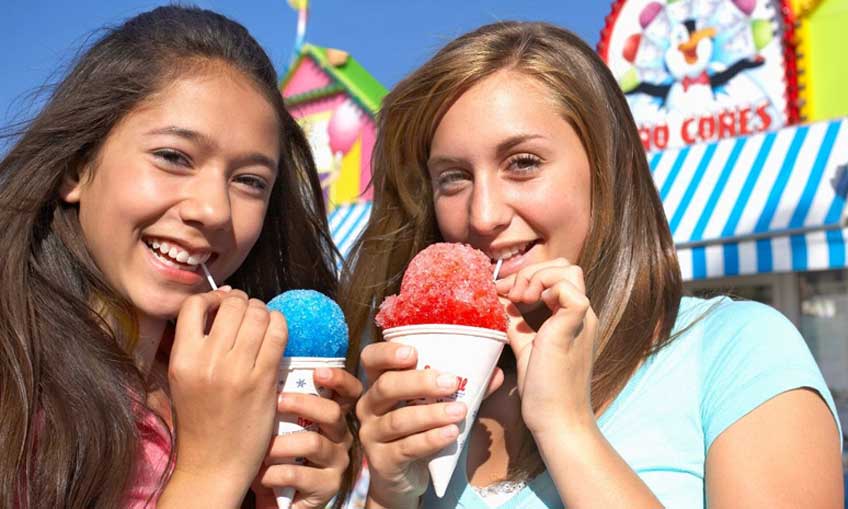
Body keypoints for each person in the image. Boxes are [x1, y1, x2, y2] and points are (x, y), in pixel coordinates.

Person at [343, 21, 844, 508]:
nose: (483, 215)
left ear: (607, 172)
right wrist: (390, 496)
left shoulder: (738, 349)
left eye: (522, 163)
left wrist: (567, 426)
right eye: (453, 177)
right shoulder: (428, 386)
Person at [0, 6, 362, 508]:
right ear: (77, 168)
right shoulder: (16, 382)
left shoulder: (236, 380)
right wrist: (212, 469)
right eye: (173, 157)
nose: (214, 210)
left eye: (250, 181)